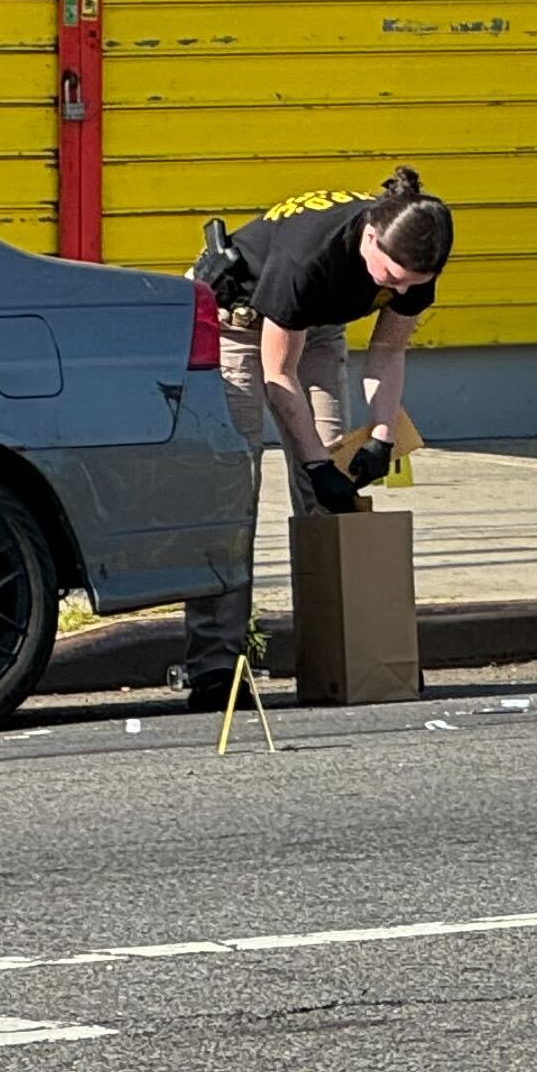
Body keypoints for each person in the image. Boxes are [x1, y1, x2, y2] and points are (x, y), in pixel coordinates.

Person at [189, 168, 457, 700]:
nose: (397, 288)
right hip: (236, 328)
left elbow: (387, 350)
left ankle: (350, 652)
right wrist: (314, 464)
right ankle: (216, 667)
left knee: (335, 498)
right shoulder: (307, 259)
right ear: (369, 238)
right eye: (390, 275)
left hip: (317, 329)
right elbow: (276, 375)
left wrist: (380, 436)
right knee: (231, 496)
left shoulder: (414, 251)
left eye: (411, 284)